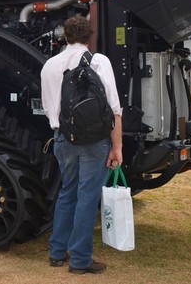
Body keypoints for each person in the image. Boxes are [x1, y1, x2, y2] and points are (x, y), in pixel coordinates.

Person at [40, 15, 123, 275]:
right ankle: (80, 260)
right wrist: (117, 147)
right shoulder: (99, 62)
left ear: (65, 36)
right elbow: (113, 108)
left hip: (62, 138)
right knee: (87, 197)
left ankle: (57, 252)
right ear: (90, 36)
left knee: (67, 192)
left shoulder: (49, 66)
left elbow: (47, 108)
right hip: (93, 141)